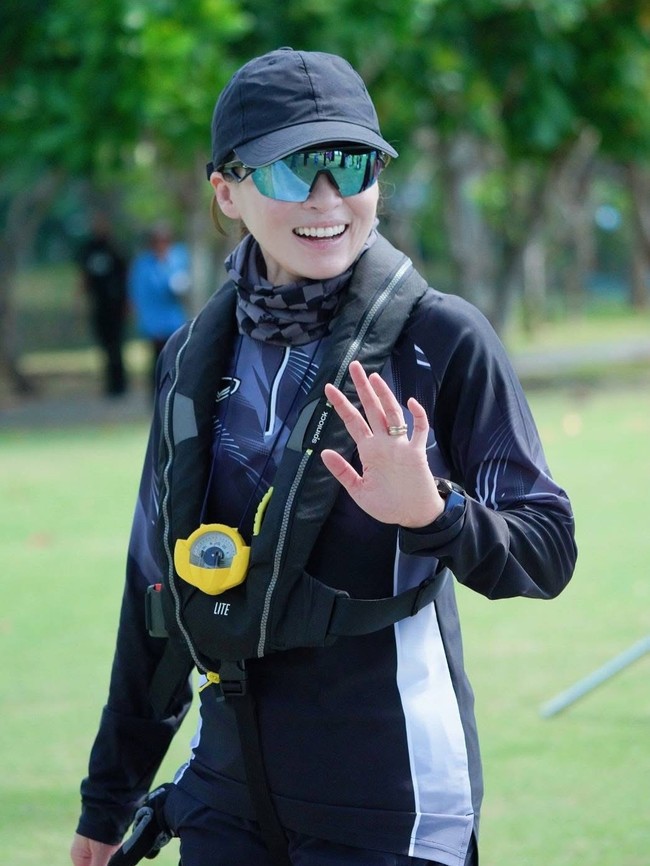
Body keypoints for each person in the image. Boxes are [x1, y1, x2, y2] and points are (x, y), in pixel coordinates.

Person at [70, 48, 577, 866]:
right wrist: (109, 798)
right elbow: (155, 591)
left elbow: (548, 552)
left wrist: (435, 513)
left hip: (389, 804)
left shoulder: (442, 341)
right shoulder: (191, 356)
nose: (327, 197)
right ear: (227, 191)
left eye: (351, 164)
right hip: (224, 797)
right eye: (291, 169)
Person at [128, 222, 191, 395]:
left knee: (176, 358)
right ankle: (157, 394)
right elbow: (139, 294)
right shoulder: (143, 265)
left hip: (174, 319)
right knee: (158, 359)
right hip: (154, 320)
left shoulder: (178, 257)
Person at [77, 212, 129, 397]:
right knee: (104, 344)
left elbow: (126, 275)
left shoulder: (115, 248)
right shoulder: (88, 249)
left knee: (117, 344)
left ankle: (120, 384)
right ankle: (110, 383)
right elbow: (84, 277)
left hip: (116, 305)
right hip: (99, 306)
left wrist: (128, 302)